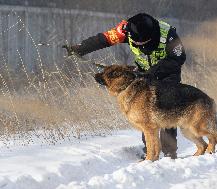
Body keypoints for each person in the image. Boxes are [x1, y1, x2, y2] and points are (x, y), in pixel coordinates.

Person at [64, 13, 186, 159]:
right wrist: (79, 48)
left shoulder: (169, 35)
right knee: (144, 111)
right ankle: (150, 151)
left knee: (166, 111)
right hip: (144, 73)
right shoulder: (124, 30)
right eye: (136, 43)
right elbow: (102, 39)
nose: (139, 46)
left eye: (142, 44)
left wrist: (152, 72)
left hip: (167, 73)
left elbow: (177, 59)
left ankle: (169, 152)